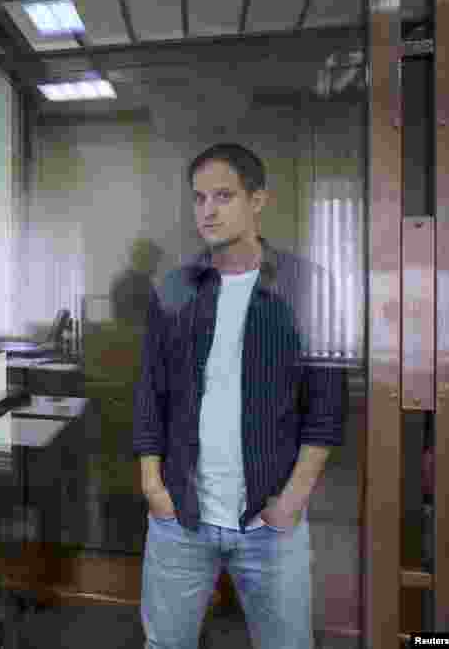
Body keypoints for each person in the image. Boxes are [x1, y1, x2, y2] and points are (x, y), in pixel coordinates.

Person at [132, 143, 345, 649]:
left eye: (224, 196)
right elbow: (150, 393)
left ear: (257, 200)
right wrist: (152, 486)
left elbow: (327, 406)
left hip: (269, 521)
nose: (208, 209)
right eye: (200, 198)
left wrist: (293, 500)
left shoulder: (309, 286)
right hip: (181, 516)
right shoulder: (175, 289)